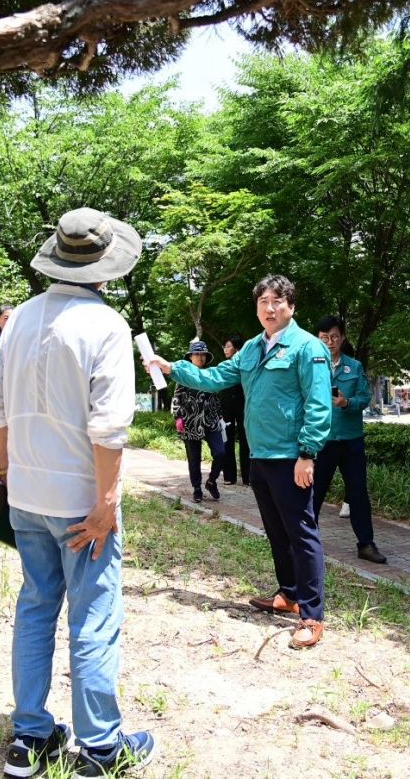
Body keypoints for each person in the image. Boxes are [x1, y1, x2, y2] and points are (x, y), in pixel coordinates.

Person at [0, 207, 156, 778]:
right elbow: (108, 431)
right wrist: (106, 505)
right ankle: (102, 748)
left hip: (27, 494)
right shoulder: (106, 325)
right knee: (93, 616)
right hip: (84, 501)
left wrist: (2, 475)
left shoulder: (21, 319)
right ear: (105, 268)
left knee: (34, 610)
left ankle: (30, 738)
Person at [149, 274, 331, 650]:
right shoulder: (252, 348)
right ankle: (289, 593)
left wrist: (307, 454)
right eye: (263, 302)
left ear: (291, 306)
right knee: (276, 531)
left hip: (291, 457)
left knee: (302, 534)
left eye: (276, 302)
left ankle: (311, 616)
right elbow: (216, 377)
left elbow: (318, 404)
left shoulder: (307, 347)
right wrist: (172, 368)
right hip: (259, 456)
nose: (269, 308)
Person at [313, 316, 386, 564]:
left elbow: (365, 399)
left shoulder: (353, 367)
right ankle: (304, 542)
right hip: (321, 441)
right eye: (324, 338)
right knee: (314, 493)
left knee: (358, 493)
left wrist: (347, 403)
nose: (330, 342)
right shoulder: (310, 366)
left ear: (342, 338)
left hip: (351, 441)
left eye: (334, 337)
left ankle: (365, 544)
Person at [171, 339, 225, 503]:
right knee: (194, 458)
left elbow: (216, 397)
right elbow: (176, 399)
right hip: (190, 421)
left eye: (203, 354)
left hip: (211, 420)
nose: (200, 357)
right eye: (197, 354)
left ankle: (211, 481)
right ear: (191, 357)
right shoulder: (184, 375)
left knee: (221, 453)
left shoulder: (211, 373)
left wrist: (220, 416)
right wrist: (178, 417)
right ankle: (197, 488)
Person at [217, 334, 250, 485]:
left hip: (243, 406)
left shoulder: (246, 366)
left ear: (237, 349)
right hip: (226, 407)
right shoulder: (224, 366)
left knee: (246, 440)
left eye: (228, 346)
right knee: (226, 440)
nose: (225, 349)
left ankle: (248, 477)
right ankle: (229, 476)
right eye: (225, 346)